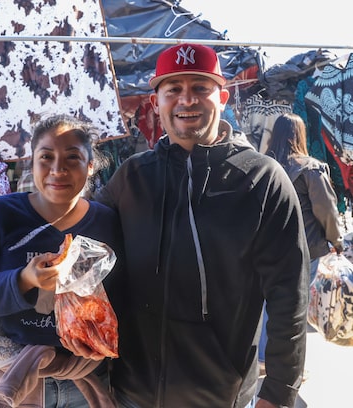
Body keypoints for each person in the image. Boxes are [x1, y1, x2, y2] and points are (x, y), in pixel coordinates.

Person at [66, 43, 310, 408]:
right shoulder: (132, 177)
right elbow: (86, 254)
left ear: (222, 96)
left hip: (220, 397)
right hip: (131, 394)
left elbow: (290, 297)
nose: (187, 100)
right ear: (156, 102)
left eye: (200, 87)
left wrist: (278, 394)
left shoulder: (262, 181)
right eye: (173, 89)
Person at [0, 114, 123, 407]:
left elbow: (122, 299)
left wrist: (99, 335)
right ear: (31, 163)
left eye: (73, 158)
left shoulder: (106, 222)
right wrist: (23, 281)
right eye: (46, 157)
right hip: (12, 379)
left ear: (90, 165)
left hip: (84, 383)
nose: (58, 169)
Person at [266, 112, 344, 281]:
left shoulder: (263, 167)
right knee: (299, 301)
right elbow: (326, 210)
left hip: (268, 248)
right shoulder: (310, 168)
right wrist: (336, 241)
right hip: (303, 248)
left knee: (270, 299)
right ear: (300, 134)